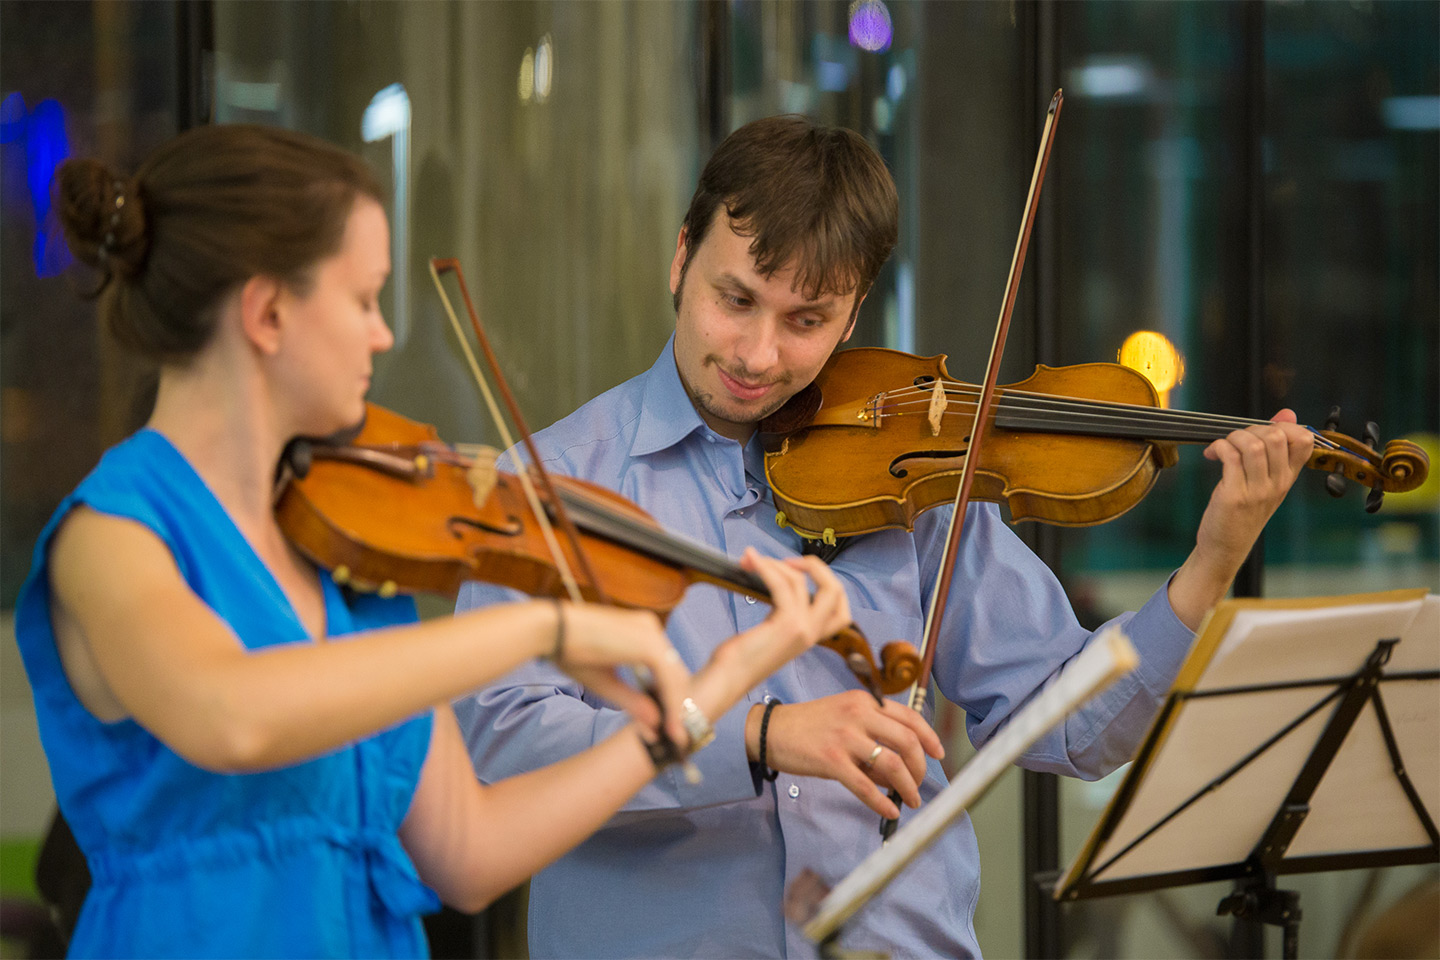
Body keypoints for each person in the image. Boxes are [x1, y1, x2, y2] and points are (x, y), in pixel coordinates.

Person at [453, 114, 1316, 958]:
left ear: (855, 311)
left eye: (807, 321)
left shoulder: (912, 468)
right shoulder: (558, 481)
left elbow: (1067, 727)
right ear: (682, 257)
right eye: (735, 300)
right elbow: (500, 742)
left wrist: (1213, 563)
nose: (758, 354)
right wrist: (758, 736)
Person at [13, 123, 853, 959]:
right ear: (268, 312)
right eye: (365, 299)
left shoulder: (344, 552)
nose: (384, 335)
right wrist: (542, 628)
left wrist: (717, 693)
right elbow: (231, 716)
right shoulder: (113, 536)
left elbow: (472, 856)